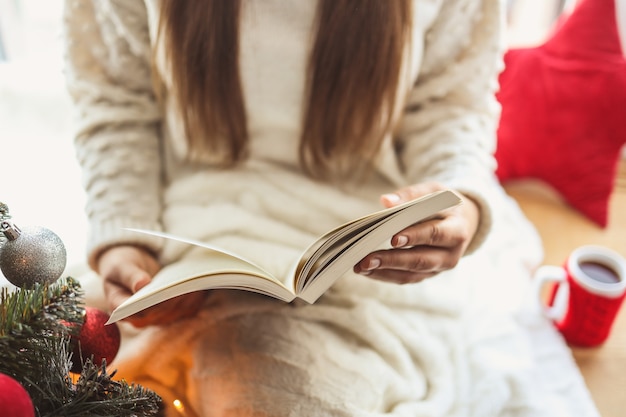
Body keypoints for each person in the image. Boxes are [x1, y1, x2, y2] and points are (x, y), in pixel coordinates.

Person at [63, 1, 555, 416]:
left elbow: (450, 109)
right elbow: (117, 101)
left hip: (365, 265)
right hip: (177, 242)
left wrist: (459, 207)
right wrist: (123, 241)